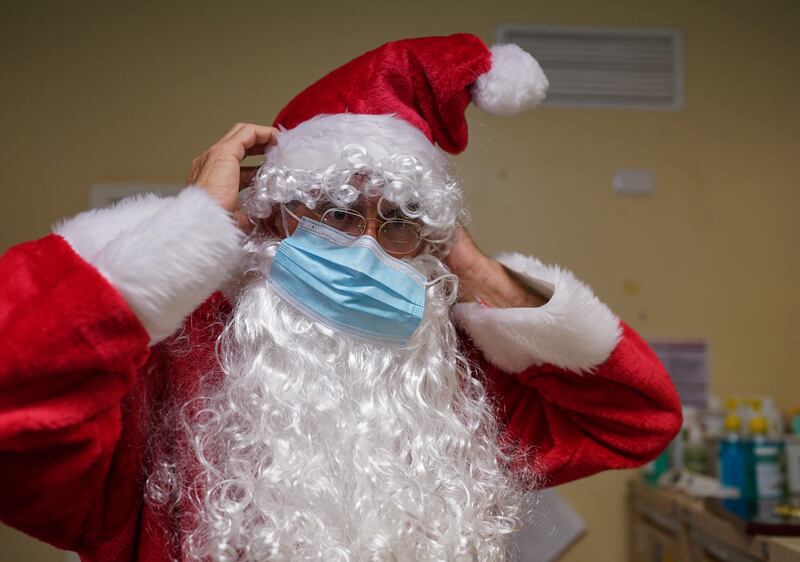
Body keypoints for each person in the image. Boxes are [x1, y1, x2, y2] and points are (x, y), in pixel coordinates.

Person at [0, 34, 681, 561]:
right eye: (334, 211)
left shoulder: (448, 391)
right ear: (268, 218)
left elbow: (634, 418)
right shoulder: (162, 372)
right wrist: (188, 230)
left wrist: (475, 270)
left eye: (399, 224)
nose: (364, 248)